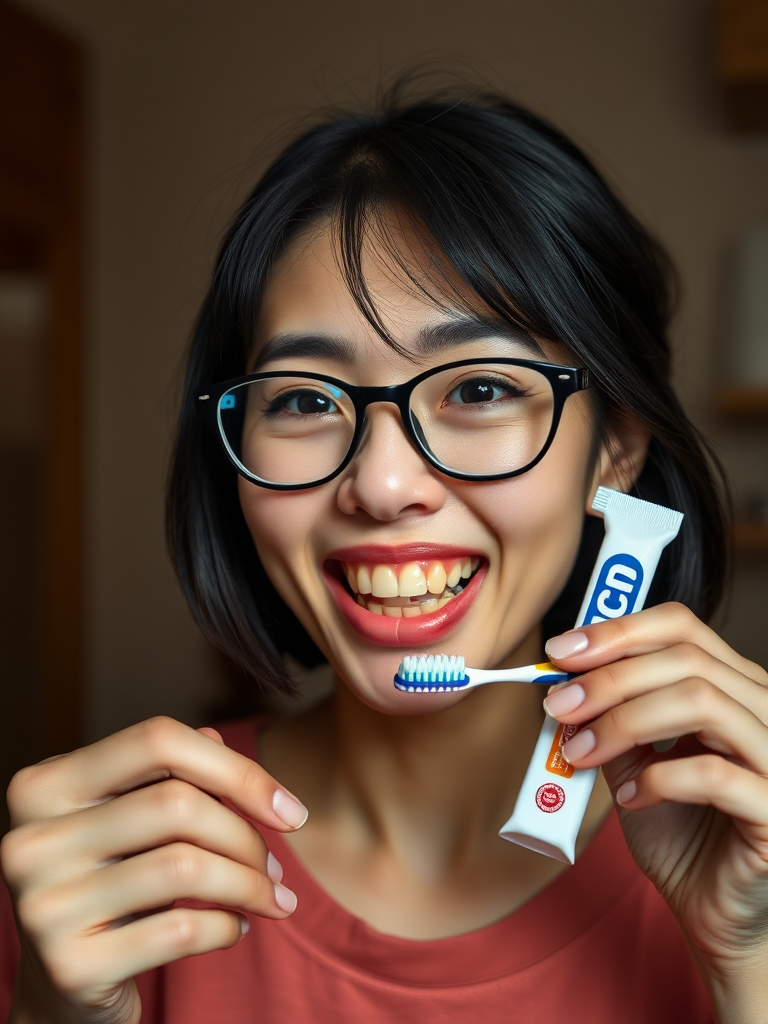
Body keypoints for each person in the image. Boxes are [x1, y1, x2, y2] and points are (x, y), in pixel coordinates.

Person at [2, 83, 767, 1024]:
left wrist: (753, 966)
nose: (384, 484)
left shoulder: (743, 861)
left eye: (481, 387)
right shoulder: (111, 888)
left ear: (616, 445)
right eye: (306, 401)